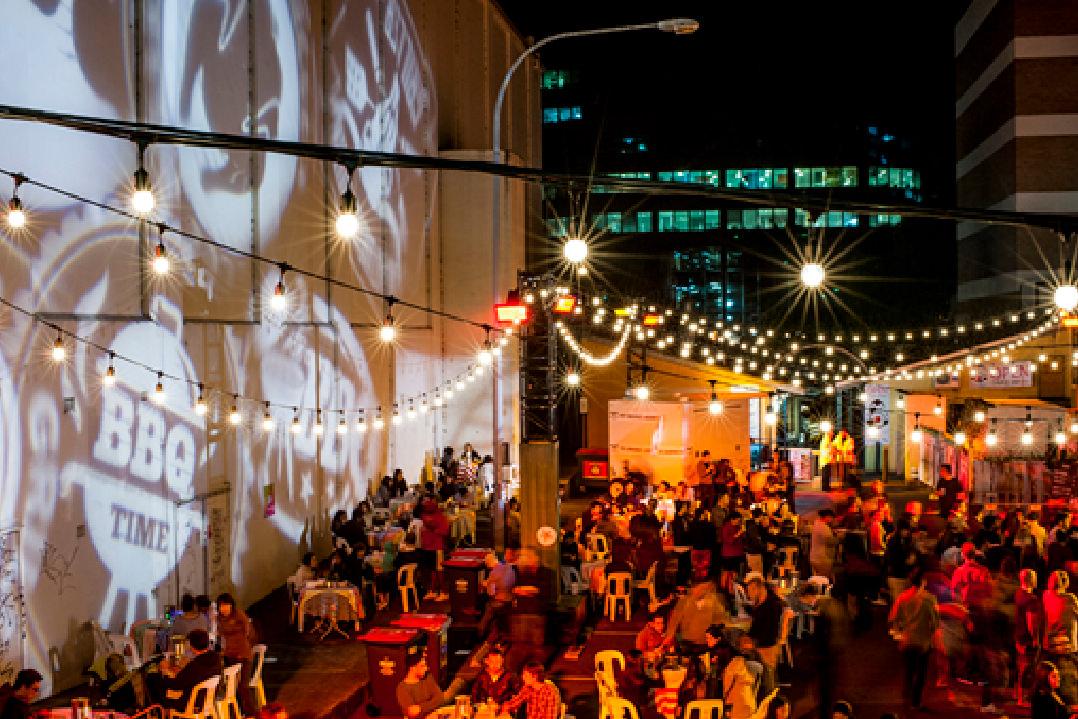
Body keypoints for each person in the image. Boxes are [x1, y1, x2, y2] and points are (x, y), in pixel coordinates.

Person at [888, 567, 939, 711]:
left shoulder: (902, 597)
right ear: (923, 581)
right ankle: (916, 702)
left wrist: (899, 631)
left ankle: (906, 699)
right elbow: (935, 622)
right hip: (923, 642)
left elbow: (893, 618)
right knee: (921, 673)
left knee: (909, 671)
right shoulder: (930, 599)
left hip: (907, 639)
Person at [158, 629, 224, 710]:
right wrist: (182, 671)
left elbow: (176, 685)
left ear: (192, 646)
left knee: (156, 684)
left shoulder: (195, 665)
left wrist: (164, 672)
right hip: (208, 699)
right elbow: (191, 677)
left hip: (191, 703)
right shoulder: (216, 659)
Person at [1042, 570, 1078, 707]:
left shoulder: (1046, 596)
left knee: (1053, 683)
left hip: (1050, 646)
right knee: (1069, 686)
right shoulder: (1070, 599)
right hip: (1066, 647)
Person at [216, 593, 256, 716]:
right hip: (229, 655)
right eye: (221, 606)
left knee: (243, 686)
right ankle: (238, 711)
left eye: (226, 605)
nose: (223, 608)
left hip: (243, 655)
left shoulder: (239, 615)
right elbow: (220, 634)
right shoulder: (219, 618)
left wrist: (241, 647)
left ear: (231, 605)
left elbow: (248, 632)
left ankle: (251, 713)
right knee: (231, 687)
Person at [722, 636, 779, 719]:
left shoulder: (737, 662)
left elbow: (728, 683)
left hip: (741, 702)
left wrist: (726, 703)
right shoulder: (762, 664)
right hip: (754, 702)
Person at [746, 575, 785, 689]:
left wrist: (753, 643)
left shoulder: (773, 606)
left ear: (759, 588)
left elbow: (769, 634)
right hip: (761, 643)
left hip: (767, 647)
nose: (749, 595)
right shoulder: (764, 603)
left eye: (751, 591)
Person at [666, 579, 728, 650]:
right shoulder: (684, 601)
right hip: (687, 642)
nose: (697, 591)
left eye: (702, 588)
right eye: (695, 588)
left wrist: (715, 637)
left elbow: (721, 621)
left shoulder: (714, 602)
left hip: (706, 643)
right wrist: (668, 637)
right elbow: (674, 620)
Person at [1015, 569, 1044, 707]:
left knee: (1021, 666)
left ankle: (1018, 694)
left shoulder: (1018, 594)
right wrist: (1035, 639)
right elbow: (1031, 621)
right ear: (1031, 580)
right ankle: (1023, 699)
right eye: (1035, 577)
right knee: (1027, 668)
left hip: (1018, 636)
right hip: (1027, 639)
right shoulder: (1031, 599)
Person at [396, 654, 450, 718]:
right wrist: (432, 704)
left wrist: (420, 707)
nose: (426, 668)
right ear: (412, 668)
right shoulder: (402, 688)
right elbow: (413, 713)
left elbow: (440, 698)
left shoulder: (427, 677)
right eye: (422, 666)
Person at [810, 510, 841, 580]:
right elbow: (831, 542)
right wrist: (840, 537)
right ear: (827, 517)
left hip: (815, 557)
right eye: (832, 518)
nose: (832, 520)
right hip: (822, 558)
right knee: (823, 580)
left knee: (818, 579)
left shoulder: (816, 524)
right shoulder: (824, 527)